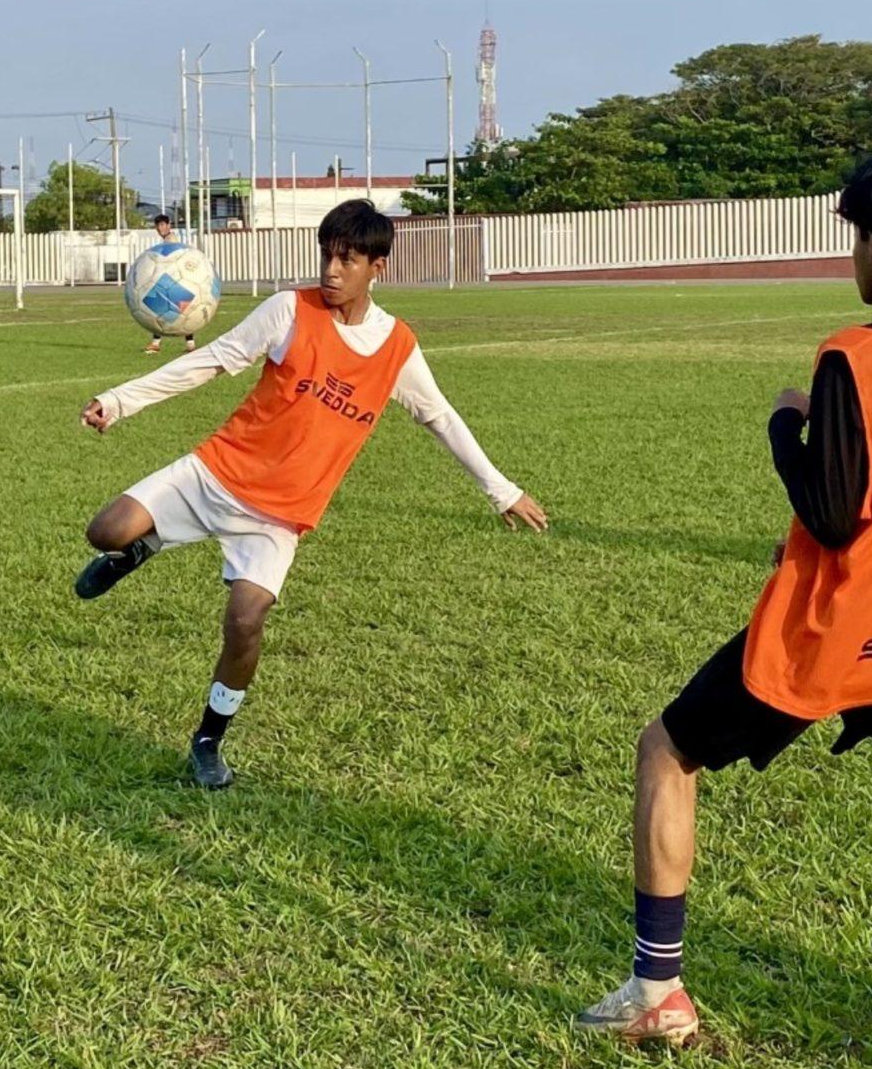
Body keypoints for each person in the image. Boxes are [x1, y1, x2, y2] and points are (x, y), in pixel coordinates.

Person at [575, 148, 872, 1049]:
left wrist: (786, 422)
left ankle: (657, 987)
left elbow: (831, 513)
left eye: (857, 236)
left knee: (667, 751)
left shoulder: (852, 355)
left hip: (836, 629)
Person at [74, 200, 550, 786]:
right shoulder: (288, 310)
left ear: (377, 267)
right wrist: (118, 401)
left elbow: (441, 417)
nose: (331, 270)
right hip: (215, 472)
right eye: (326, 255)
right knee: (105, 531)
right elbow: (212, 362)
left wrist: (502, 491)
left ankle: (208, 742)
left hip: (278, 517)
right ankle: (138, 549)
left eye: (347, 259)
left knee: (246, 621)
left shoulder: (397, 347)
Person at [141, 213, 195, 356]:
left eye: (162, 225)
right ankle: (190, 345)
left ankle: (155, 344)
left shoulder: (171, 241)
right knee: (180, 312)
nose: (160, 228)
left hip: (171, 281)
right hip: (172, 280)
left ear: (169, 225)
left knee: (159, 309)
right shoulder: (168, 240)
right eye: (158, 226)